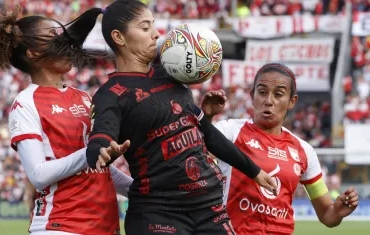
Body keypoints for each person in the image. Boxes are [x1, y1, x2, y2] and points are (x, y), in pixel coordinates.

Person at [47, 1, 278, 234]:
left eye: (153, 26)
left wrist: (254, 171)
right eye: (145, 28)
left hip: (210, 210)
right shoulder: (111, 94)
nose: (155, 34)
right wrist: (102, 150)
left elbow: (206, 135)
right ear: (119, 37)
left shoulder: (171, 76)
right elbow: (98, 141)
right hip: (158, 213)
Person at [0, 7, 133, 235]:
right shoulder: (25, 103)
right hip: (60, 227)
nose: (65, 42)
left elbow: (99, 167)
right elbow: (39, 175)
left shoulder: (85, 97)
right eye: (52, 36)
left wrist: (139, 190)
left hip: (105, 227)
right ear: (33, 53)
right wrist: (90, 152)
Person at [201, 63, 359, 234]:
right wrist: (206, 120)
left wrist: (337, 212)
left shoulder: (304, 151)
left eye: (278, 95)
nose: (269, 101)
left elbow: (327, 215)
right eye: (262, 92)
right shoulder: (230, 131)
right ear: (252, 95)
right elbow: (196, 157)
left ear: (292, 101)